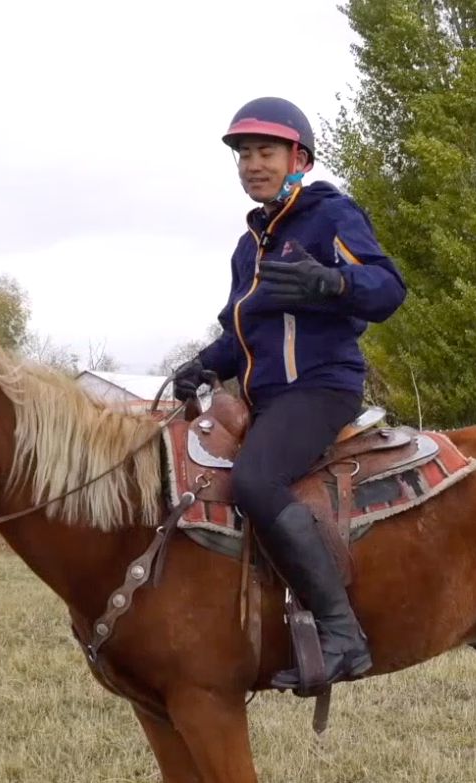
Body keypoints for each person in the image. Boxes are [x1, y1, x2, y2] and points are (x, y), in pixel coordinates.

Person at [171, 96, 407, 690]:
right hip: (265, 398)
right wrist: (200, 365)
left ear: (298, 157)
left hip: (321, 388)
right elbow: (242, 336)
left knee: (255, 480)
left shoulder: (330, 215)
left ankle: (342, 634)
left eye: (265, 151)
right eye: (244, 154)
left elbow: (387, 288)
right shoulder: (248, 248)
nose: (253, 163)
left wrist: (331, 281)